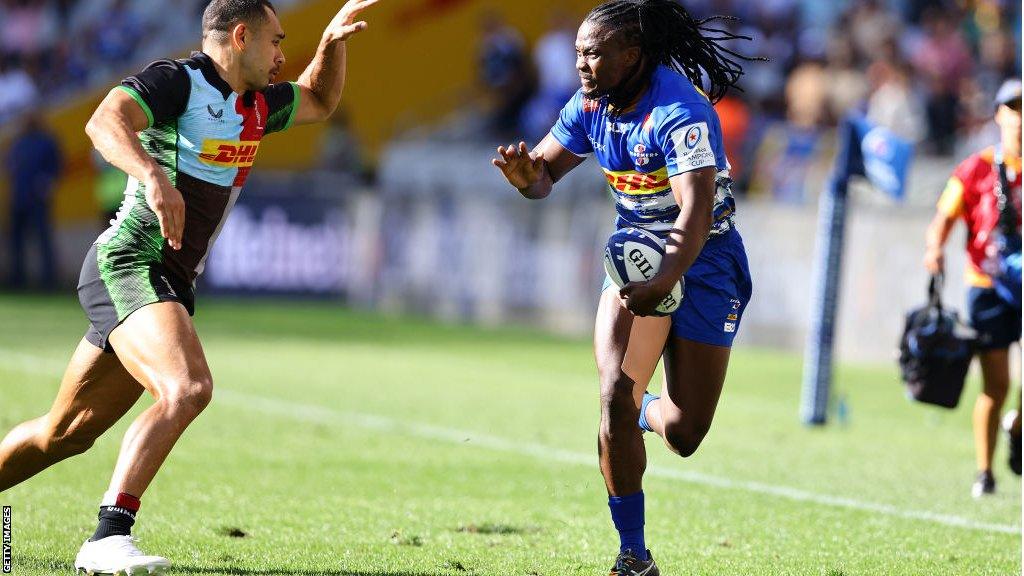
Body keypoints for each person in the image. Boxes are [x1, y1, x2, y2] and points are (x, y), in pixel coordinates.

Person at [0, 0, 377, 573]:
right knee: (188, 388)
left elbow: (320, 100)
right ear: (242, 36)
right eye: (276, 42)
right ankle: (107, 536)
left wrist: (332, 42)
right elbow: (103, 121)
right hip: (130, 262)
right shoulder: (179, 80)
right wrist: (151, 174)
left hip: (165, 278)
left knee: (64, 434)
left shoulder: (255, 107)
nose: (281, 55)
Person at [491, 1, 755, 573]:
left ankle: (648, 410)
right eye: (579, 52)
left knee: (684, 434)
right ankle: (632, 554)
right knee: (613, 394)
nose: (582, 63)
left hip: (704, 262)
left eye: (594, 53)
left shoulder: (680, 111)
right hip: (637, 259)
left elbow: (696, 211)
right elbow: (545, 176)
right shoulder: (589, 103)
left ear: (631, 56)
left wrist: (665, 280)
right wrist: (526, 177)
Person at [924, 78, 1022, 498]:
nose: (1020, 118)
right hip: (988, 287)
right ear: (999, 115)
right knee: (996, 385)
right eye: (1014, 108)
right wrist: (935, 249)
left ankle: (1016, 425)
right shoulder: (976, 167)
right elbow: (944, 216)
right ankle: (985, 471)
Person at [5, 109, 62, 289]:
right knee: (16, 241)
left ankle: (48, 281)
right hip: (18, 197)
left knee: (42, 240)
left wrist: (47, 182)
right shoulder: (19, 142)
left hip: (37, 199)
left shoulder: (46, 141)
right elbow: (10, 166)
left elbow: (57, 165)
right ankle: (17, 279)